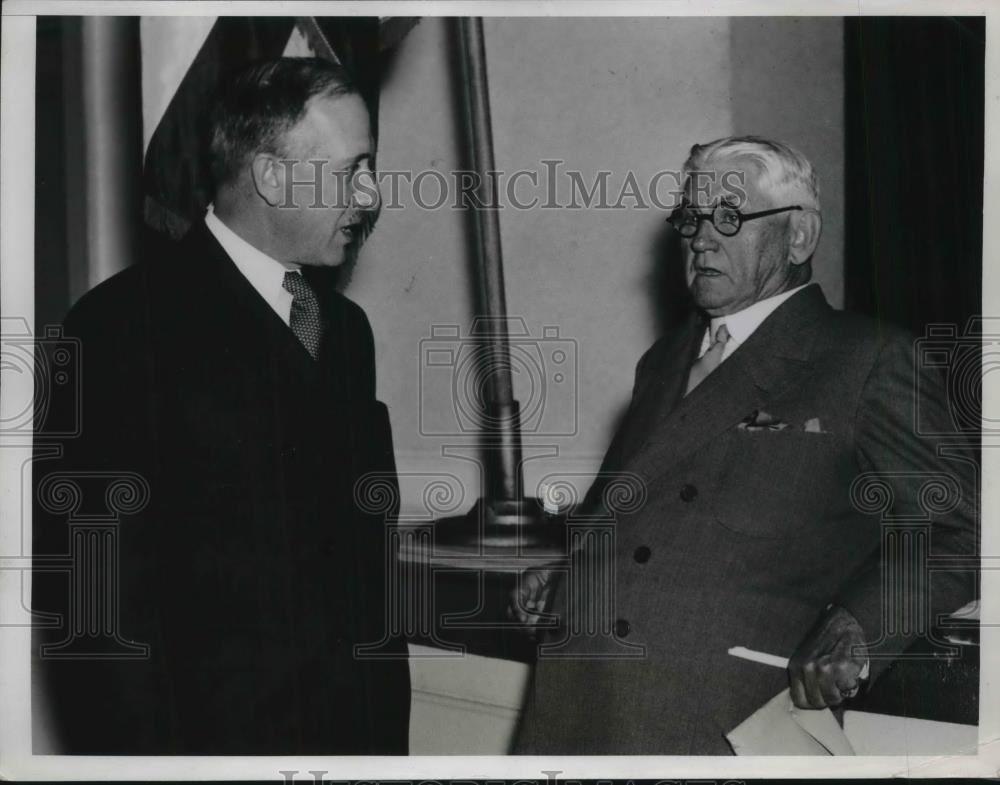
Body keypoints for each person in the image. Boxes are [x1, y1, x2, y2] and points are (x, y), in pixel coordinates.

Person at [512, 136, 977, 754]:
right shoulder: (664, 360)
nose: (702, 238)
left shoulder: (868, 359)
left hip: (713, 723)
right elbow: (637, 509)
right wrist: (577, 569)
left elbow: (960, 532)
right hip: (576, 708)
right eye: (691, 218)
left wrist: (862, 626)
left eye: (729, 217)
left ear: (799, 236)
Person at [32, 58, 410, 755]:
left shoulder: (346, 332)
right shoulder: (119, 327)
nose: (371, 192)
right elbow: (96, 614)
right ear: (271, 177)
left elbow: (367, 580)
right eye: (353, 167)